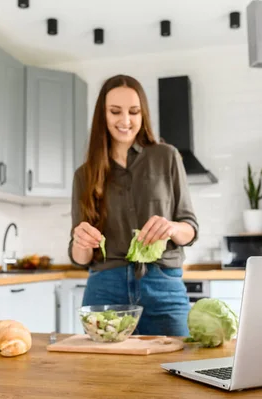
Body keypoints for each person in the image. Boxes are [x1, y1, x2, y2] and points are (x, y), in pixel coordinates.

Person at [67, 74, 199, 337]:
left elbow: (190, 230)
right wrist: (80, 242)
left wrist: (171, 227)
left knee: (179, 368)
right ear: (102, 115)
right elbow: (80, 258)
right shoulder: (85, 175)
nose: (125, 121)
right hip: (105, 287)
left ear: (143, 114)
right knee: (103, 375)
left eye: (134, 112)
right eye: (115, 111)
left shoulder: (167, 157)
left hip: (163, 284)